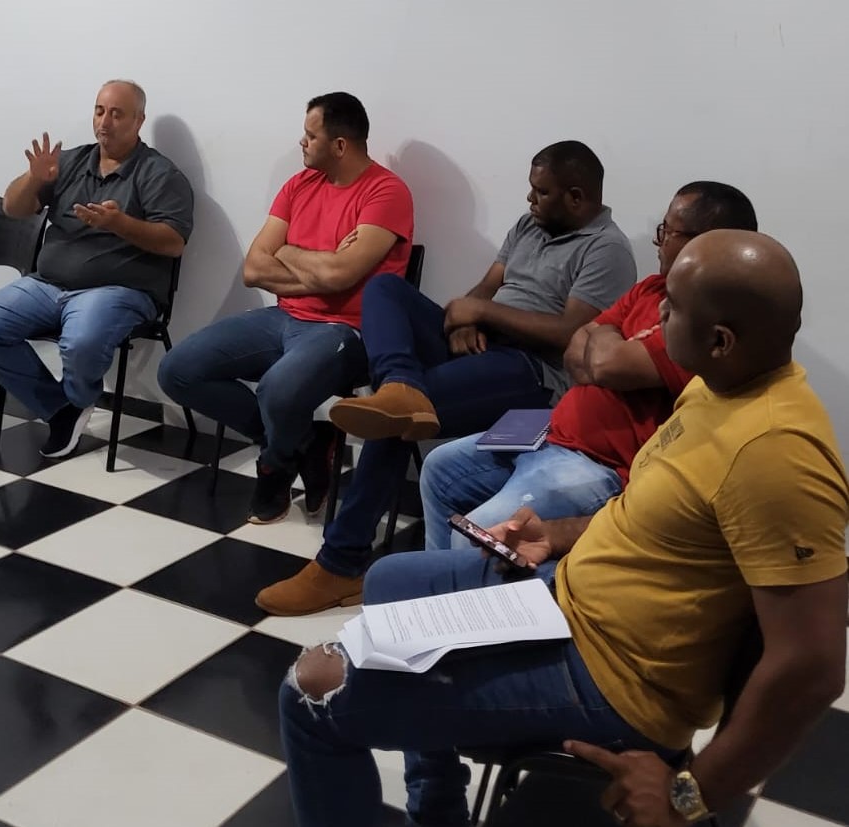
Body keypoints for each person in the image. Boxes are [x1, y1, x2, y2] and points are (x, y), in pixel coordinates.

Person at [278, 230, 848, 827]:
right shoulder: (715, 386)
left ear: (720, 340)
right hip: (566, 599)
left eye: (673, 307)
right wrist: (558, 533)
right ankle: (437, 809)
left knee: (310, 690)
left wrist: (688, 796)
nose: (656, 315)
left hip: (613, 678)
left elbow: (812, 668)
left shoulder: (775, 453)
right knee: (391, 579)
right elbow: (654, 512)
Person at [257, 140, 637, 615]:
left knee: (399, 420)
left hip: (533, 373)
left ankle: (341, 563)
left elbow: (570, 334)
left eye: (541, 192)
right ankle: (398, 384)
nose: (530, 199)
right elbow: (486, 288)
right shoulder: (529, 226)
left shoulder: (607, 249)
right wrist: (464, 320)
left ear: (576, 198)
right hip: (482, 346)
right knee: (385, 289)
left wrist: (481, 313)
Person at [421, 181, 758, 550]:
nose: (658, 241)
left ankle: (459, 583)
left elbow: (607, 364)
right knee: (439, 467)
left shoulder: (704, 324)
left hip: (598, 465)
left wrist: (603, 345)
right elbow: (576, 348)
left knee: (478, 536)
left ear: (706, 244)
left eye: (668, 231)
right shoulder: (650, 288)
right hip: (549, 434)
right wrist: (605, 349)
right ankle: (434, 579)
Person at [158, 92, 414, 524]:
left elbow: (340, 276)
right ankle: (304, 443)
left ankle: (274, 467)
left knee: (277, 390)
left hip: (347, 330)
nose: (302, 142)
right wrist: (320, 265)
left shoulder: (386, 192)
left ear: (340, 145)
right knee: (177, 371)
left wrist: (289, 252)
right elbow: (254, 268)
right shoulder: (299, 185)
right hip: (285, 316)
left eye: (311, 135)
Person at [0, 80, 193, 459]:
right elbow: (14, 208)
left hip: (118, 289)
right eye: (100, 111)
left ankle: (78, 398)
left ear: (138, 120)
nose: (105, 122)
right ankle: (62, 409)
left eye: (117, 114)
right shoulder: (70, 162)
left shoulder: (159, 174)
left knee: (81, 342)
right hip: (48, 284)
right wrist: (34, 178)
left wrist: (119, 224)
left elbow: (173, 242)